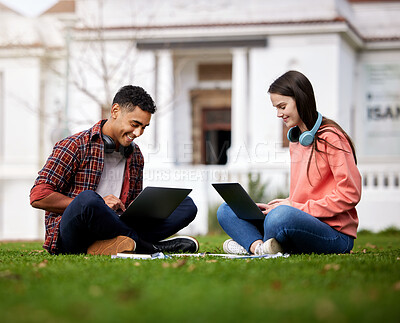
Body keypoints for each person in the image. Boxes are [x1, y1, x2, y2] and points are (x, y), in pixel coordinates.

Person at [30, 85, 198, 255]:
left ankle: (117, 245)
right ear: (115, 111)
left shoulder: (136, 155)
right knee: (88, 200)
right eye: (135, 124)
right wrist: (100, 204)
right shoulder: (74, 145)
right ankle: (148, 247)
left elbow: (131, 203)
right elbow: (39, 196)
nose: (138, 133)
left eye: (144, 127)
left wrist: (137, 207)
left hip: (117, 227)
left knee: (186, 205)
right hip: (77, 234)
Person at [217, 70, 362, 255]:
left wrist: (292, 208)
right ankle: (258, 247)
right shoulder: (298, 140)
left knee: (280, 217)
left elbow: (350, 194)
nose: (279, 114)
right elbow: (307, 194)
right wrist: (286, 202)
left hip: (334, 234)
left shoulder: (331, 138)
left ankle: (252, 243)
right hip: (299, 220)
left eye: (282, 106)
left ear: (300, 100)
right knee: (227, 210)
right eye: (276, 108)